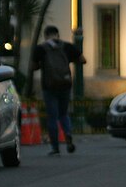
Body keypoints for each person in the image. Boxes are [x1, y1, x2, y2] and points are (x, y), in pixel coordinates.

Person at [31, 25, 85, 155]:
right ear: (58, 34)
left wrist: (41, 65)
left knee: (52, 117)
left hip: (49, 86)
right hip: (65, 84)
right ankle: (67, 133)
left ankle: (55, 147)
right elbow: (83, 60)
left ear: (45, 35)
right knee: (63, 113)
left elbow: (33, 67)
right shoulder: (66, 46)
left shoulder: (40, 49)